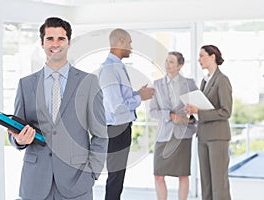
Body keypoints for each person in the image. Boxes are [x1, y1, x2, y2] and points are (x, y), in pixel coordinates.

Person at [8, 17, 108, 200]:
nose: (55, 44)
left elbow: (101, 134)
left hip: (77, 182)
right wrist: (19, 140)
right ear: (42, 43)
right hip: (35, 183)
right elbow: (15, 129)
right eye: (50, 39)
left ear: (69, 42)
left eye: (61, 39)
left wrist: (92, 174)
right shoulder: (26, 84)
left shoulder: (89, 83)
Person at [98, 28, 155, 200]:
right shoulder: (109, 69)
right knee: (115, 177)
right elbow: (116, 106)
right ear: (121, 41)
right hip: (116, 129)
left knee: (118, 176)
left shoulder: (117, 67)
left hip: (122, 128)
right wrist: (139, 97)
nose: (131, 47)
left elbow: (120, 98)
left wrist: (136, 94)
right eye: (130, 42)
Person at [185, 45, 232, 200]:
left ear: (212, 57)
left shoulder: (222, 80)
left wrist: (199, 112)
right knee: (206, 182)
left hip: (218, 137)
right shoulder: (205, 81)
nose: (199, 59)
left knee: (219, 182)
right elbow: (204, 108)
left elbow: (226, 111)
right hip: (203, 135)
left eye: (201, 55)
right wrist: (193, 113)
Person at [149, 51, 198, 200]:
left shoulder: (189, 84)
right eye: (166, 61)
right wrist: (170, 116)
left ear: (180, 65)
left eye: (171, 62)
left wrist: (185, 118)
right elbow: (153, 111)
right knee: (158, 175)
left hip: (182, 135)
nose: (167, 64)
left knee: (182, 174)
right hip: (163, 135)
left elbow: (197, 110)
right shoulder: (157, 84)